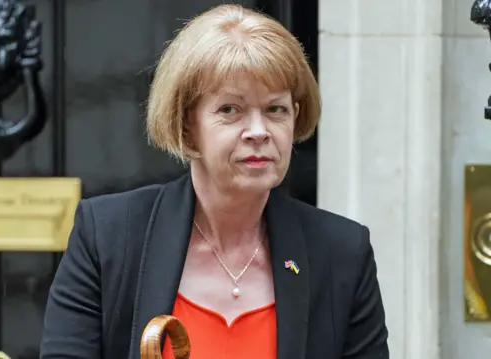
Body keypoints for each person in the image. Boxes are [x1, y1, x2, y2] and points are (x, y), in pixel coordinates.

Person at [40, 4, 389, 359]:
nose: (258, 132)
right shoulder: (108, 238)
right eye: (230, 110)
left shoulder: (343, 253)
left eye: (275, 110)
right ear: (187, 123)